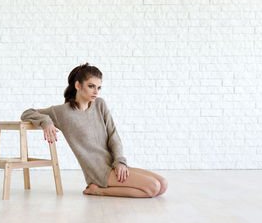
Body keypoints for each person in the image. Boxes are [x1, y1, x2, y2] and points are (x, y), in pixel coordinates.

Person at [20, 63, 168, 198]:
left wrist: (120, 162)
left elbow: (113, 136)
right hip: (98, 171)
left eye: (98, 87)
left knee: (162, 184)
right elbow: (27, 113)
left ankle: (105, 183)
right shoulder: (63, 112)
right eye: (91, 86)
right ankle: (97, 190)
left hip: (114, 165)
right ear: (78, 85)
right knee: (152, 188)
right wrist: (46, 122)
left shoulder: (100, 104)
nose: (96, 91)